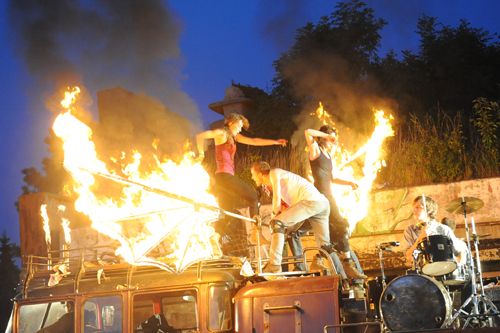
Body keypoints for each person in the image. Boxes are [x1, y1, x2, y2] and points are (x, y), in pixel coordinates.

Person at [196, 113, 287, 221]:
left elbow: (254, 141)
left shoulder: (234, 137)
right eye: (238, 126)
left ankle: (219, 235)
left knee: (227, 211)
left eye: (241, 127)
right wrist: (201, 154)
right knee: (253, 196)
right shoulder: (222, 133)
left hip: (223, 178)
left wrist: (275, 142)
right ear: (230, 123)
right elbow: (200, 136)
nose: (240, 129)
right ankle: (255, 230)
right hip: (224, 176)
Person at [304, 126, 366, 279]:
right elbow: (307, 132)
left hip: (328, 195)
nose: (333, 141)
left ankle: (319, 258)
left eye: (333, 138)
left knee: (332, 232)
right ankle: (347, 262)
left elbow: (332, 178)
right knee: (342, 224)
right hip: (320, 195)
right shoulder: (315, 150)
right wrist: (326, 135)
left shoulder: (329, 156)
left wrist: (349, 183)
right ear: (323, 137)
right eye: (330, 138)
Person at [250, 161, 331, 273]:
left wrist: (273, 218)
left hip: (310, 202)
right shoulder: (285, 182)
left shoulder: (274, 173)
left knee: (277, 224)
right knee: (325, 246)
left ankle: (274, 266)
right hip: (322, 204)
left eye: (253, 174)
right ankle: (343, 277)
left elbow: (276, 199)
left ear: (260, 173)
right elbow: (287, 209)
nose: (252, 177)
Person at [404, 196, 467, 265]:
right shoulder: (410, 230)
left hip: (444, 269)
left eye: (417, 207)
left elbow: (459, 250)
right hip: (422, 273)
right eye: (413, 208)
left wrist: (460, 262)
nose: (414, 210)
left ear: (429, 210)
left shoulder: (443, 229)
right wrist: (420, 238)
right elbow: (408, 257)